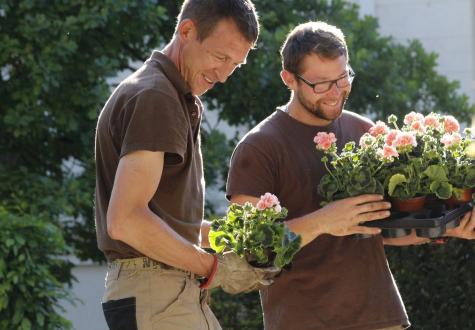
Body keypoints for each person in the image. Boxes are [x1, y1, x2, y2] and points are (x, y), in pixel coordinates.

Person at [225, 21, 475, 330]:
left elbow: (383, 228)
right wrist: (323, 221)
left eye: (343, 78)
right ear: (289, 79)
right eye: (321, 84)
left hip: (382, 317)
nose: (335, 92)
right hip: (304, 322)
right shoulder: (258, 148)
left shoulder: (364, 132)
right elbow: (250, 249)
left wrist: (444, 228)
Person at [95, 1, 278, 329]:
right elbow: (126, 221)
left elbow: (168, 221)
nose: (223, 75)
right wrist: (214, 267)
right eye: (220, 57)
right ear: (187, 31)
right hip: (156, 291)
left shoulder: (170, 95)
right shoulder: (156, 97)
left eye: (235, 65)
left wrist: (233, 239)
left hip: (165, 292)